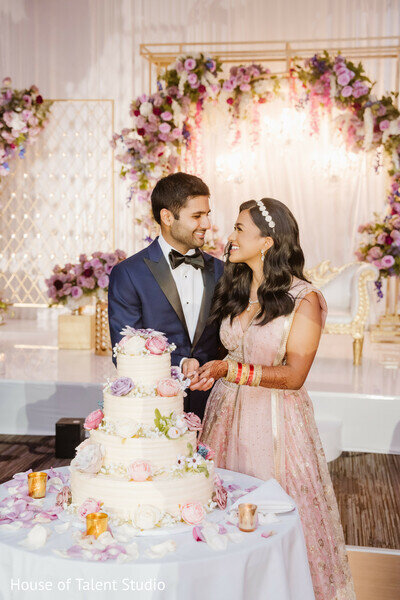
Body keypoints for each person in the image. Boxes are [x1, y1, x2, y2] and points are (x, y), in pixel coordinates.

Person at [191, 198, 356, 600]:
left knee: (270, 513)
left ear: (266, 242)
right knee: (222, 512)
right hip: (225, 416)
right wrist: (204, 368)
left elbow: (295, 376)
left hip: (275, 421)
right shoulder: (237, 286)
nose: (228, 237)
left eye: (238, 230)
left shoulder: (304, 299)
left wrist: (228, 371)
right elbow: (229, 351)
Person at [108, 172, 224, 420]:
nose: (206, 224)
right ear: (167, 217)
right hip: (154, 410)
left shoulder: (222, 271)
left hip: (215, 405)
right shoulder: (128, 274)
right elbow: (125, 351)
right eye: (197, 216)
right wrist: (180, 364)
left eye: (207, 214)